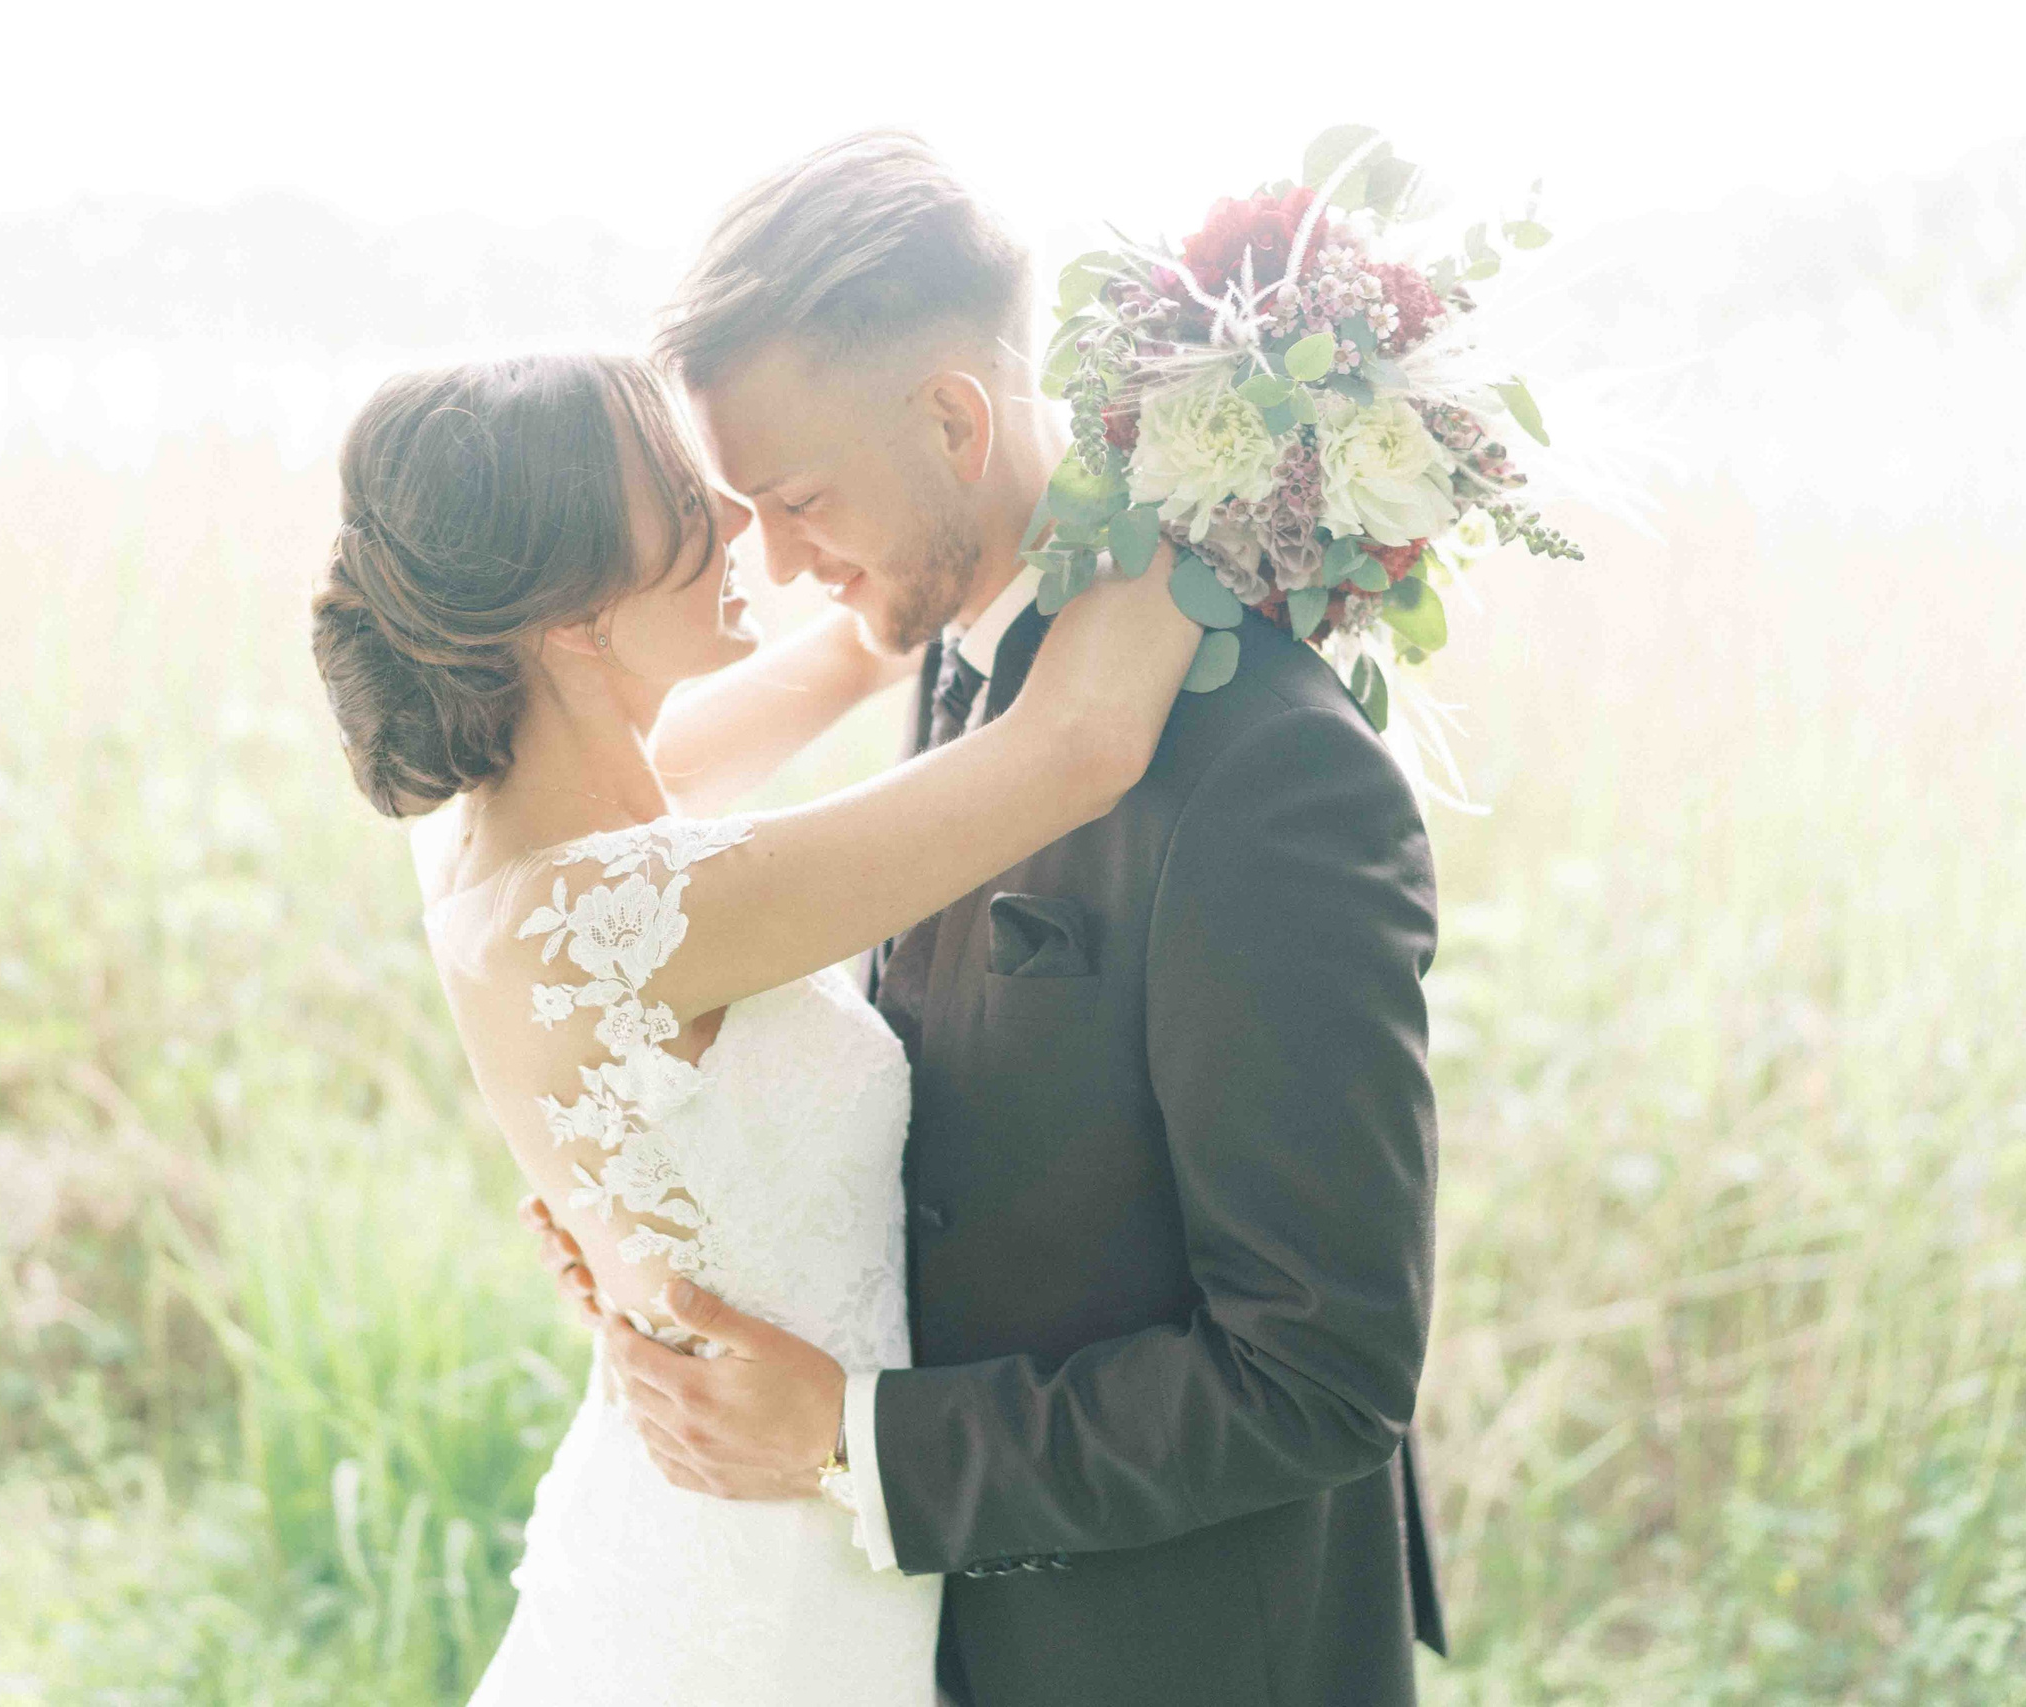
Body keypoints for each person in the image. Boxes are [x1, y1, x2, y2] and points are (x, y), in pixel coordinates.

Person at [524, 131, 1448, 1705]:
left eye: (797, 498)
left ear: (956, 418)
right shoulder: (956, 656)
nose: (779, 566)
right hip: (929, 1632)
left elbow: (1321, 1372)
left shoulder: (1273, 780)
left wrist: (850, 1433)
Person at [310, 348, 1203, 1706]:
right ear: (572, 621)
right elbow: (1079, 745)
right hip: (753, 1601)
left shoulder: (534, 813)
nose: (740, 521)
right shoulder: (614, 911)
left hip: (743, 1530)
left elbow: (862, 642)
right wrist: (1232, 453)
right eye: (681, 499)